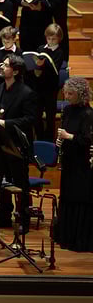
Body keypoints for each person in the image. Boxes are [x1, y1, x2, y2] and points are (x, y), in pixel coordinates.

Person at [0, 54, 37, 235]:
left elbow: (30, 119)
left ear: (15, 71)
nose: (1, 66)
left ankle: (23, 219)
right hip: (1, 142)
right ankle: (3, 217)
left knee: (20, 183)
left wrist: (6, 123)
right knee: (2, 180)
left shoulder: (27, 93)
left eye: (6, 65)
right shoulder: (1, 87)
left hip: (17, 145)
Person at [54, 77, 93, 252]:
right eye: (66, 93)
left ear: (81, 94)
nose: (67, 96)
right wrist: (59, 140)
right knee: (67, 196)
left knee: (79, 197)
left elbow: (87, 140)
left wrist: (68, 136)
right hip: (69, 160)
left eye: (71, 94)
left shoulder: (88, 114)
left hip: (82, 163)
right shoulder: (68, 110)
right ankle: (66, 236)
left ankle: (78, 239)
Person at [26, 23, 66, 142]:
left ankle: (48, 141)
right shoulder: (41, 49)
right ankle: (40, 138)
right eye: (48, 38)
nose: (51, 41)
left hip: (50, 88)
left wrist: (44, 66)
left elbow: (55, 70)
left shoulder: (59, 52)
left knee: (50, 117)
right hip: (38, 87)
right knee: (37, 116)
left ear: (59, 39)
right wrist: (35, 70)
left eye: (53, 39)